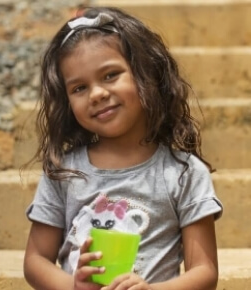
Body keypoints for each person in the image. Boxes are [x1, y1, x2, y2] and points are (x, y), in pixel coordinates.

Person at [24, 7, 223, 290]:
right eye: (79, 88)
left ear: (146, 74)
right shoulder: (64, 172)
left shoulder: (183, 173)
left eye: (110, 75)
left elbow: (204, 272)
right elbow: (35, 261)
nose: (97, 94)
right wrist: (74, 287)